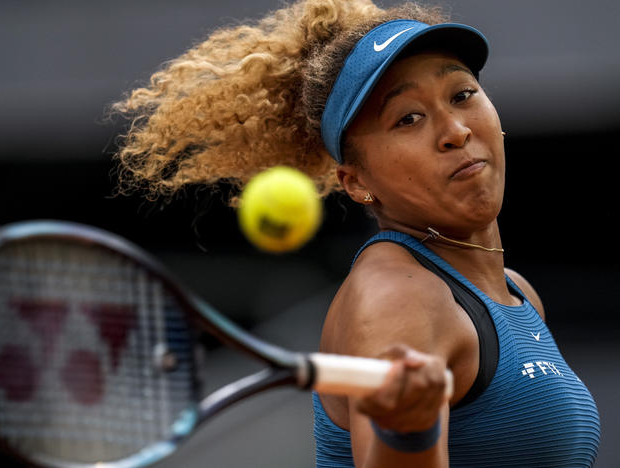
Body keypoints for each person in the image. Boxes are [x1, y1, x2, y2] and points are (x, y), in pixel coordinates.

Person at [112, 1, 601, 466]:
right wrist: (407, 433)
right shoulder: (398, 300)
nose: (455, 129)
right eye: (407, 118)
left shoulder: (519, 295)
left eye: (462, 94)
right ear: (357, 182)